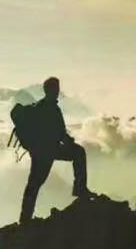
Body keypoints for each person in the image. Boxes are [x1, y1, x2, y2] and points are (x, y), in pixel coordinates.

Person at [20, 77, 95, 224]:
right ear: (53, 90)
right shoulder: (52, 109)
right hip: (49, 151)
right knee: (79, 153)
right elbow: (60, 133)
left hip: (38, 151)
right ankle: (80, 189)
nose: (58, 91)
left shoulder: (39, 106)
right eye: (56, 88)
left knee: (34, 183)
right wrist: (70, 143)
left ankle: (25, 218)